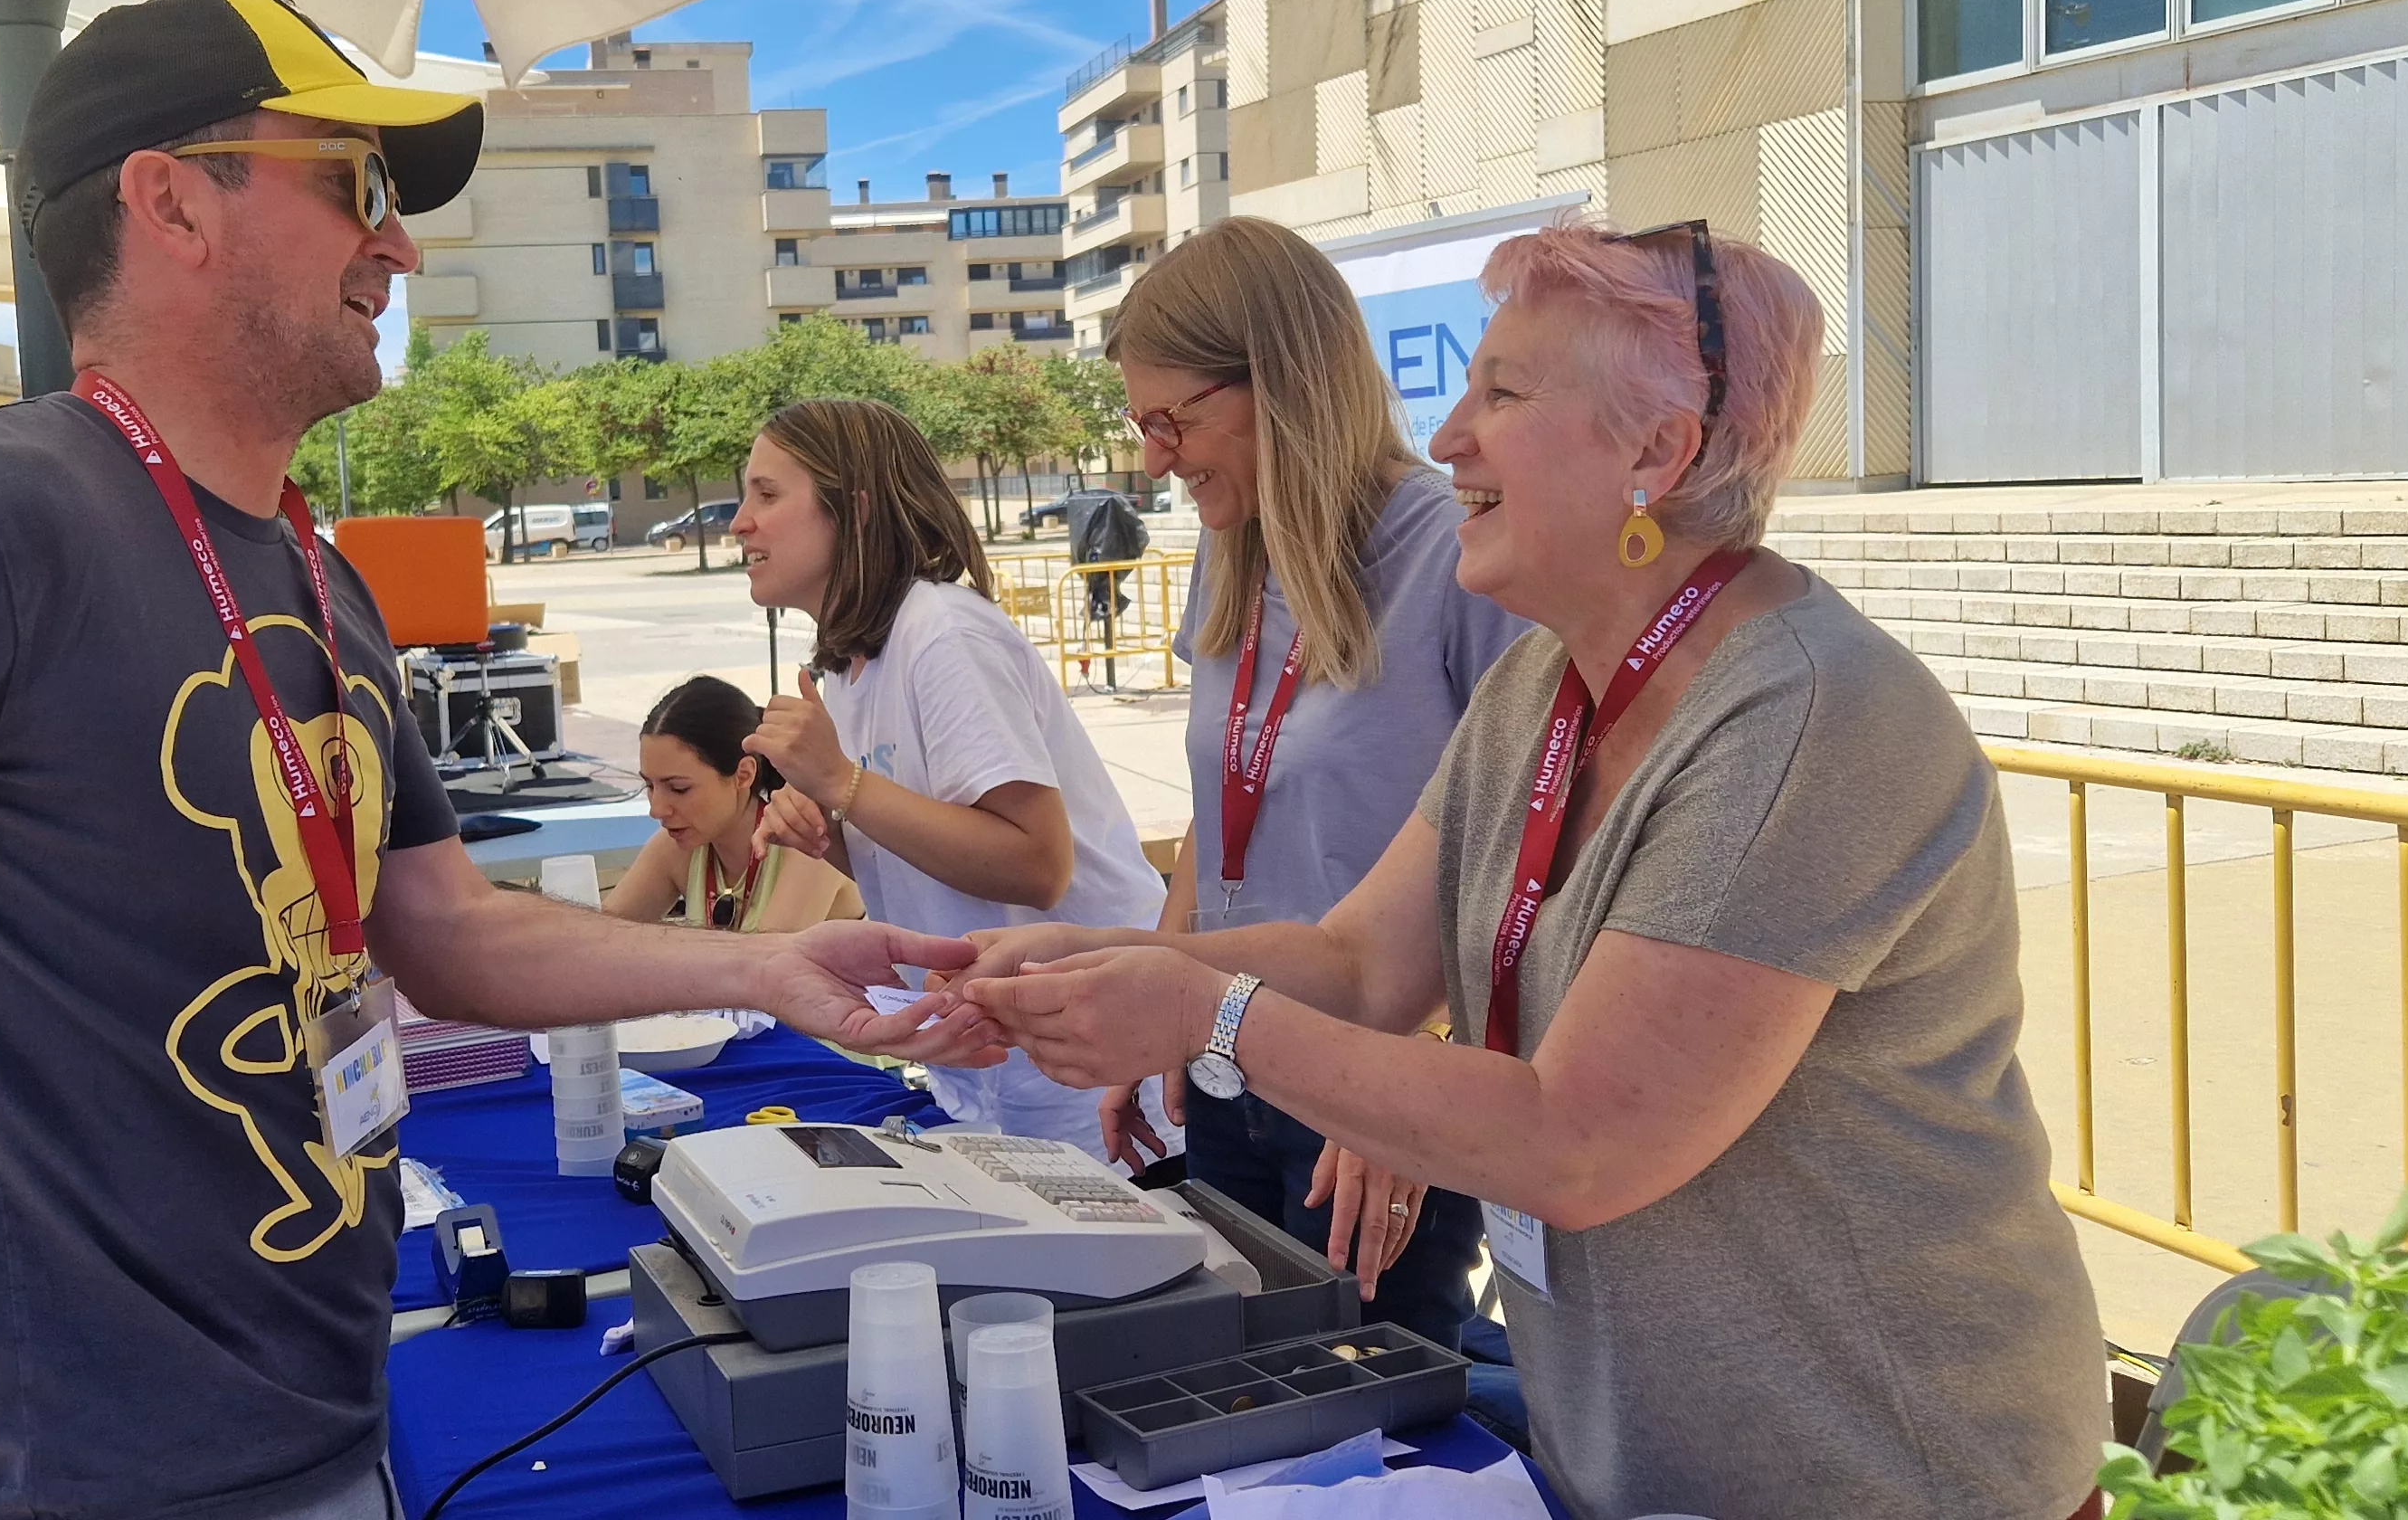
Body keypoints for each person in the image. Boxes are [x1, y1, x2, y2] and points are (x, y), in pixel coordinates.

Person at [0, 0, 993, 1520]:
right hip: (96, 1467)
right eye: (357, 186)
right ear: (168, 200)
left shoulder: (310, 564)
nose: (398, 247)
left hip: (329, 1402)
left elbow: (445, 931)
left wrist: (758, 970)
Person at [957, 221, 2105, 1519]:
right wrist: (1117, 962)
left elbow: (1578, 1142)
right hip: (1650, 1465)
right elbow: (1360, 963)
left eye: (1502, 395)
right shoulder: (1542, 687)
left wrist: (1208, 1013)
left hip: (1894, 1473)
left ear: (1657, 453)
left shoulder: (1802, 719)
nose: (1450, 439)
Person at [1089, 216, 1528, 1350]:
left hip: (1372, 1089)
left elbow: (1524, 855)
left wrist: (1415, 1078)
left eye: (1171, 420)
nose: (1154, 460)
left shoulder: (1453, 558)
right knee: (1244, 1396)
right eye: (1140, 425)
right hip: (1232, 1053)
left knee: (1367, 1429)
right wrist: (1156, 998)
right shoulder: (1235, 554)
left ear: (1278, 382)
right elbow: (1222, 805)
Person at [734, 395, 1165, 1148]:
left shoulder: (942, 634)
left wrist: (840, 783)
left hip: (1089, 1073)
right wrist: (831, 835)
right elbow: (932, 851)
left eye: (767, 494)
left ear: (856, 510)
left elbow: (1037, 864)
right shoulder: (852, 668)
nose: (740, 521)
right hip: (995, 1069)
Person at [604, 674, 864, 932]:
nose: (657, 809)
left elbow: (763, 964)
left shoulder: (807, 842)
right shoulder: (677, 845)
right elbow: (600, 937)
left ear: (743, 775)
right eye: (649, 786)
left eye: (679, 789)